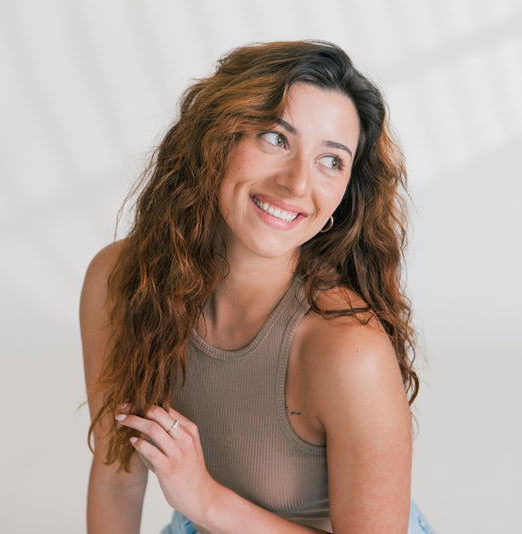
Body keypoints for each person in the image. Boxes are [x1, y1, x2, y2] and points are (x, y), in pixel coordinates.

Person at [80, 40, 435, 533]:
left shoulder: (349, 350)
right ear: (215, 139)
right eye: (275, 138)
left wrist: (206, 501)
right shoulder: (120, 281)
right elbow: (117, 477)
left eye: (331, 161)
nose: (297, 183)